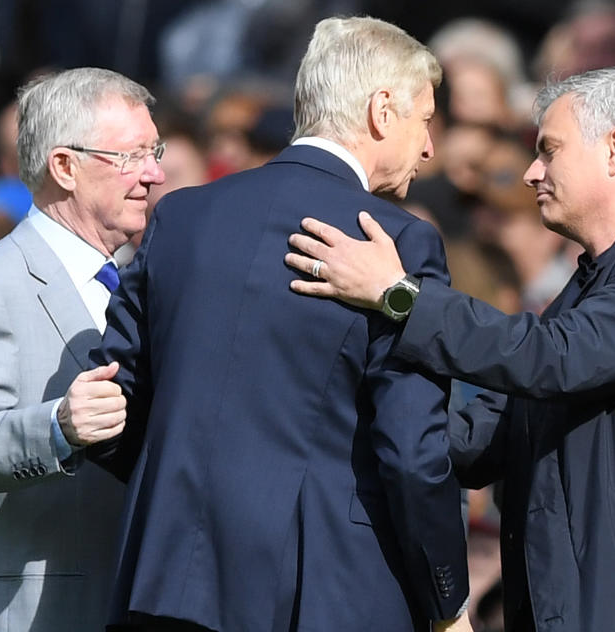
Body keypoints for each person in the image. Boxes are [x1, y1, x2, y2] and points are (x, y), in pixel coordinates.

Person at [285, 66, 615, 631]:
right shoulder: (593, 286)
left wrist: (397, 297)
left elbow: (560, 358)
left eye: (550, 150)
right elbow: (484, 437)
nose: (531, 172)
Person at [89, 16, 470, 632]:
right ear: (381, 111)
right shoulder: (397, 242)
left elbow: (110, 403)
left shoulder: (183, 216)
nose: (429, 146)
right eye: (424, 120)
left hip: (167, 582)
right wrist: (446, 599)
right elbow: (411, 450)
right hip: (324, 596)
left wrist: (178, 492)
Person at [0, 67, 164, 631]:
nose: (155, 173)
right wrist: (57, 426)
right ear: (64, 167)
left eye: (156, 150)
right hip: (30, 614)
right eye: (131, 156)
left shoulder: (139, 278)